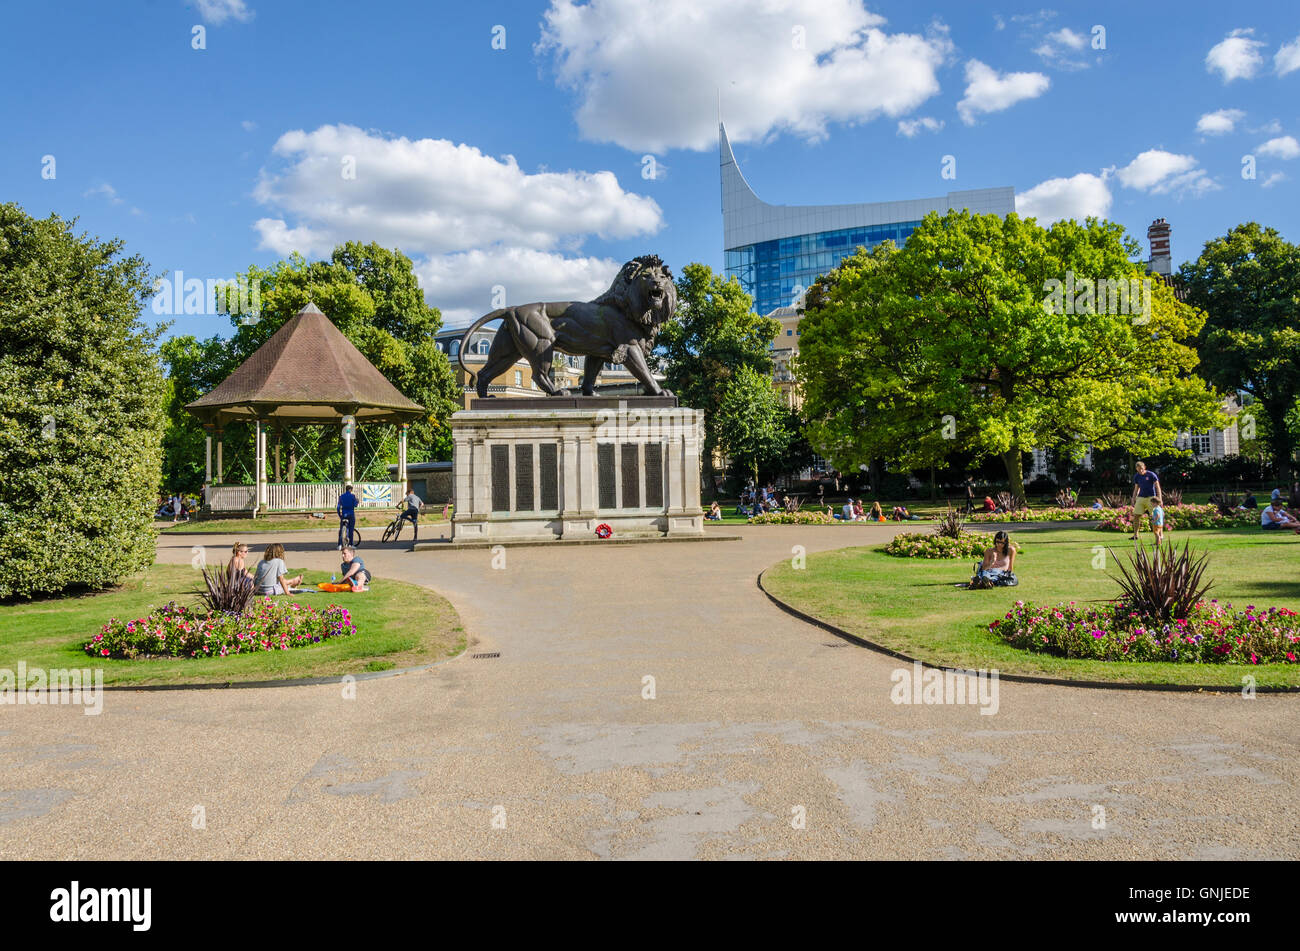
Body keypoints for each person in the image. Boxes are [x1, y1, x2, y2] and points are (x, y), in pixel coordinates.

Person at [1129, 460, 1162, 540]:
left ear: (1144, 467)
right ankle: (1135, 535)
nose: (1140, 470)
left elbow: (1157, 487)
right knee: (1136, 516)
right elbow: (1136, 488)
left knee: (1156, 515)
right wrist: (1133, 499)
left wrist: (1159, 498)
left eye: (1142, 469)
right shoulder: (1137, 476)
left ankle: (1160, 535)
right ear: (1136, 469)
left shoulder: (1151, 475)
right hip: (1140, 497)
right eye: (1138, 469)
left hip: (1151, 498)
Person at [336, 483, 359, 549]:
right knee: (351, 530)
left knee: (341, 529)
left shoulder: (341, 496)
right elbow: (355, 505)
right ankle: (350, 545)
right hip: (351, 514)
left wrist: (340, 515)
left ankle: (339, 545)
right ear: (350, 490)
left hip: (344, 514)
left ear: (346, 490)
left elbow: (338, 507)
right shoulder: (353, 496)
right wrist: (357, 501)